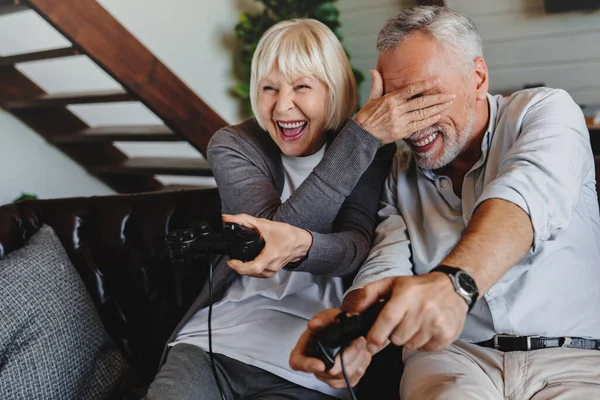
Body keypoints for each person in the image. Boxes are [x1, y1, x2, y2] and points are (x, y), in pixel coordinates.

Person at [290, 6, 600, 400]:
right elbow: (386, 261)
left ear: (478, 77)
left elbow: (524, 199)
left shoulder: (545, 112)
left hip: (573, 360)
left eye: (423, 96)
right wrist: (354, 329)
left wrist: (455, 287)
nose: (409, 123)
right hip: (453, 358)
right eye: (394, 100)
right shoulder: (399, 170)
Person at [144, 18, 455, 399]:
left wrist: (361, 141)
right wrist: (361, 140)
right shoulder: (234, 145)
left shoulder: (370, 150)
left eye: (302, 87)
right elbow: (267, 239)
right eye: (269, 88)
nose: (282, 106)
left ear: (334, 90)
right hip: (216, 344)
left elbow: (355, 249)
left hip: (304, 359)